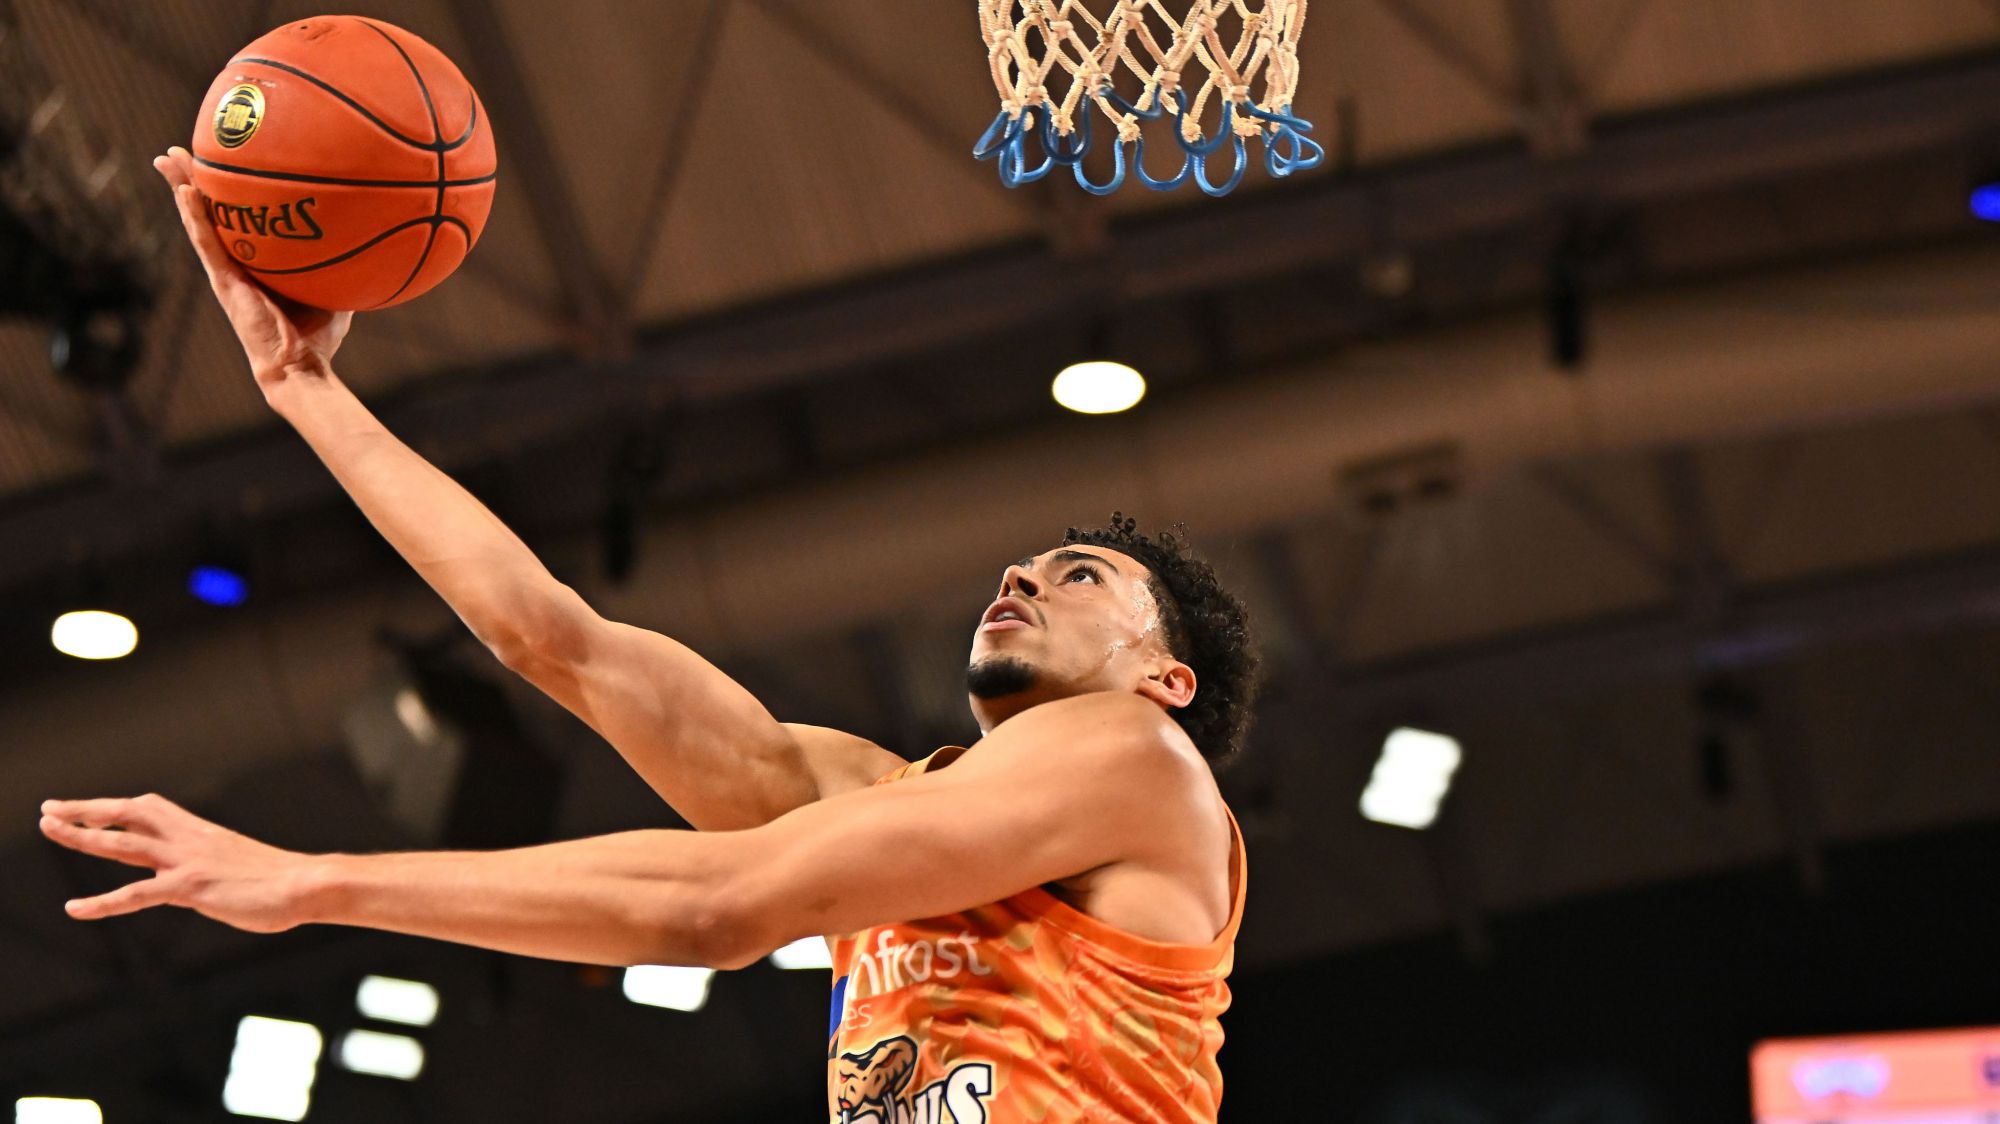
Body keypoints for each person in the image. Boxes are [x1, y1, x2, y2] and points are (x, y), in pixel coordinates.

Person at [38, 148, 1262, 1124]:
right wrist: (302, 388)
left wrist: (318, 883)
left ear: (1165, 676)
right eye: (1027, 561)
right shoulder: (873, 803)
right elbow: (550, 640)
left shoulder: (1138, 756)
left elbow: (719, 907)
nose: (1021, 573)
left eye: (1080, 574)